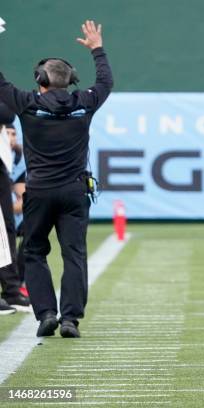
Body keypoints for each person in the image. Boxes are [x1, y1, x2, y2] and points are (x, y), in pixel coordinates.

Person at [0, 20, 113, 337]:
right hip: (75, 192)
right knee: (73, 253)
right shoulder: (83, 103)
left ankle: (47, 313)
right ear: (71, 81)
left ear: (40, 81)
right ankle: (70, 320)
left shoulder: (28, 104)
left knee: (34, 251)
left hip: (38, 191)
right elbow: (105, 81)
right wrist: (97, 49)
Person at [0, 105, 29, 314]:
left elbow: (22, 192)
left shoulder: (16, 156)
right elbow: (7, 113)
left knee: (8, 230)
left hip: (13, 212)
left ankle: (12, 288)